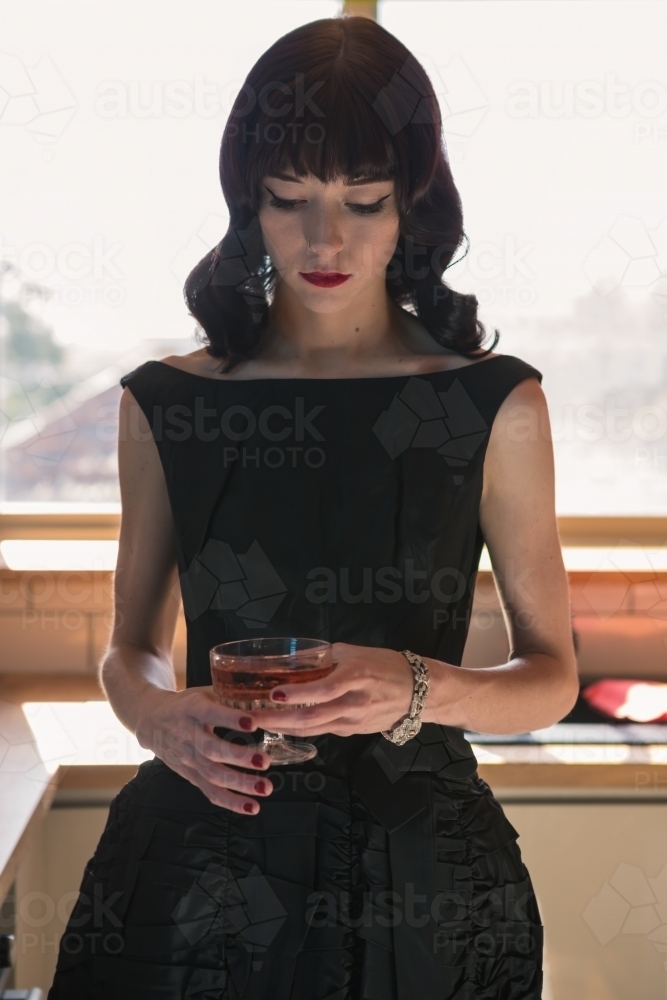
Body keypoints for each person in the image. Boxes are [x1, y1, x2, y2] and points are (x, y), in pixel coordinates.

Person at [48, 15, 578, 1000]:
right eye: (289, 200)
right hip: (194, 871)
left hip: (424, 880)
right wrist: (159, 716)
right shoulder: (170, 401)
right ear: (249, 202)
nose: (325, 239)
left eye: (365, 202)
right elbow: (130, 649)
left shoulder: (491, 402)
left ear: (413, 203)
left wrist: (416, 686)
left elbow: (551, 676)